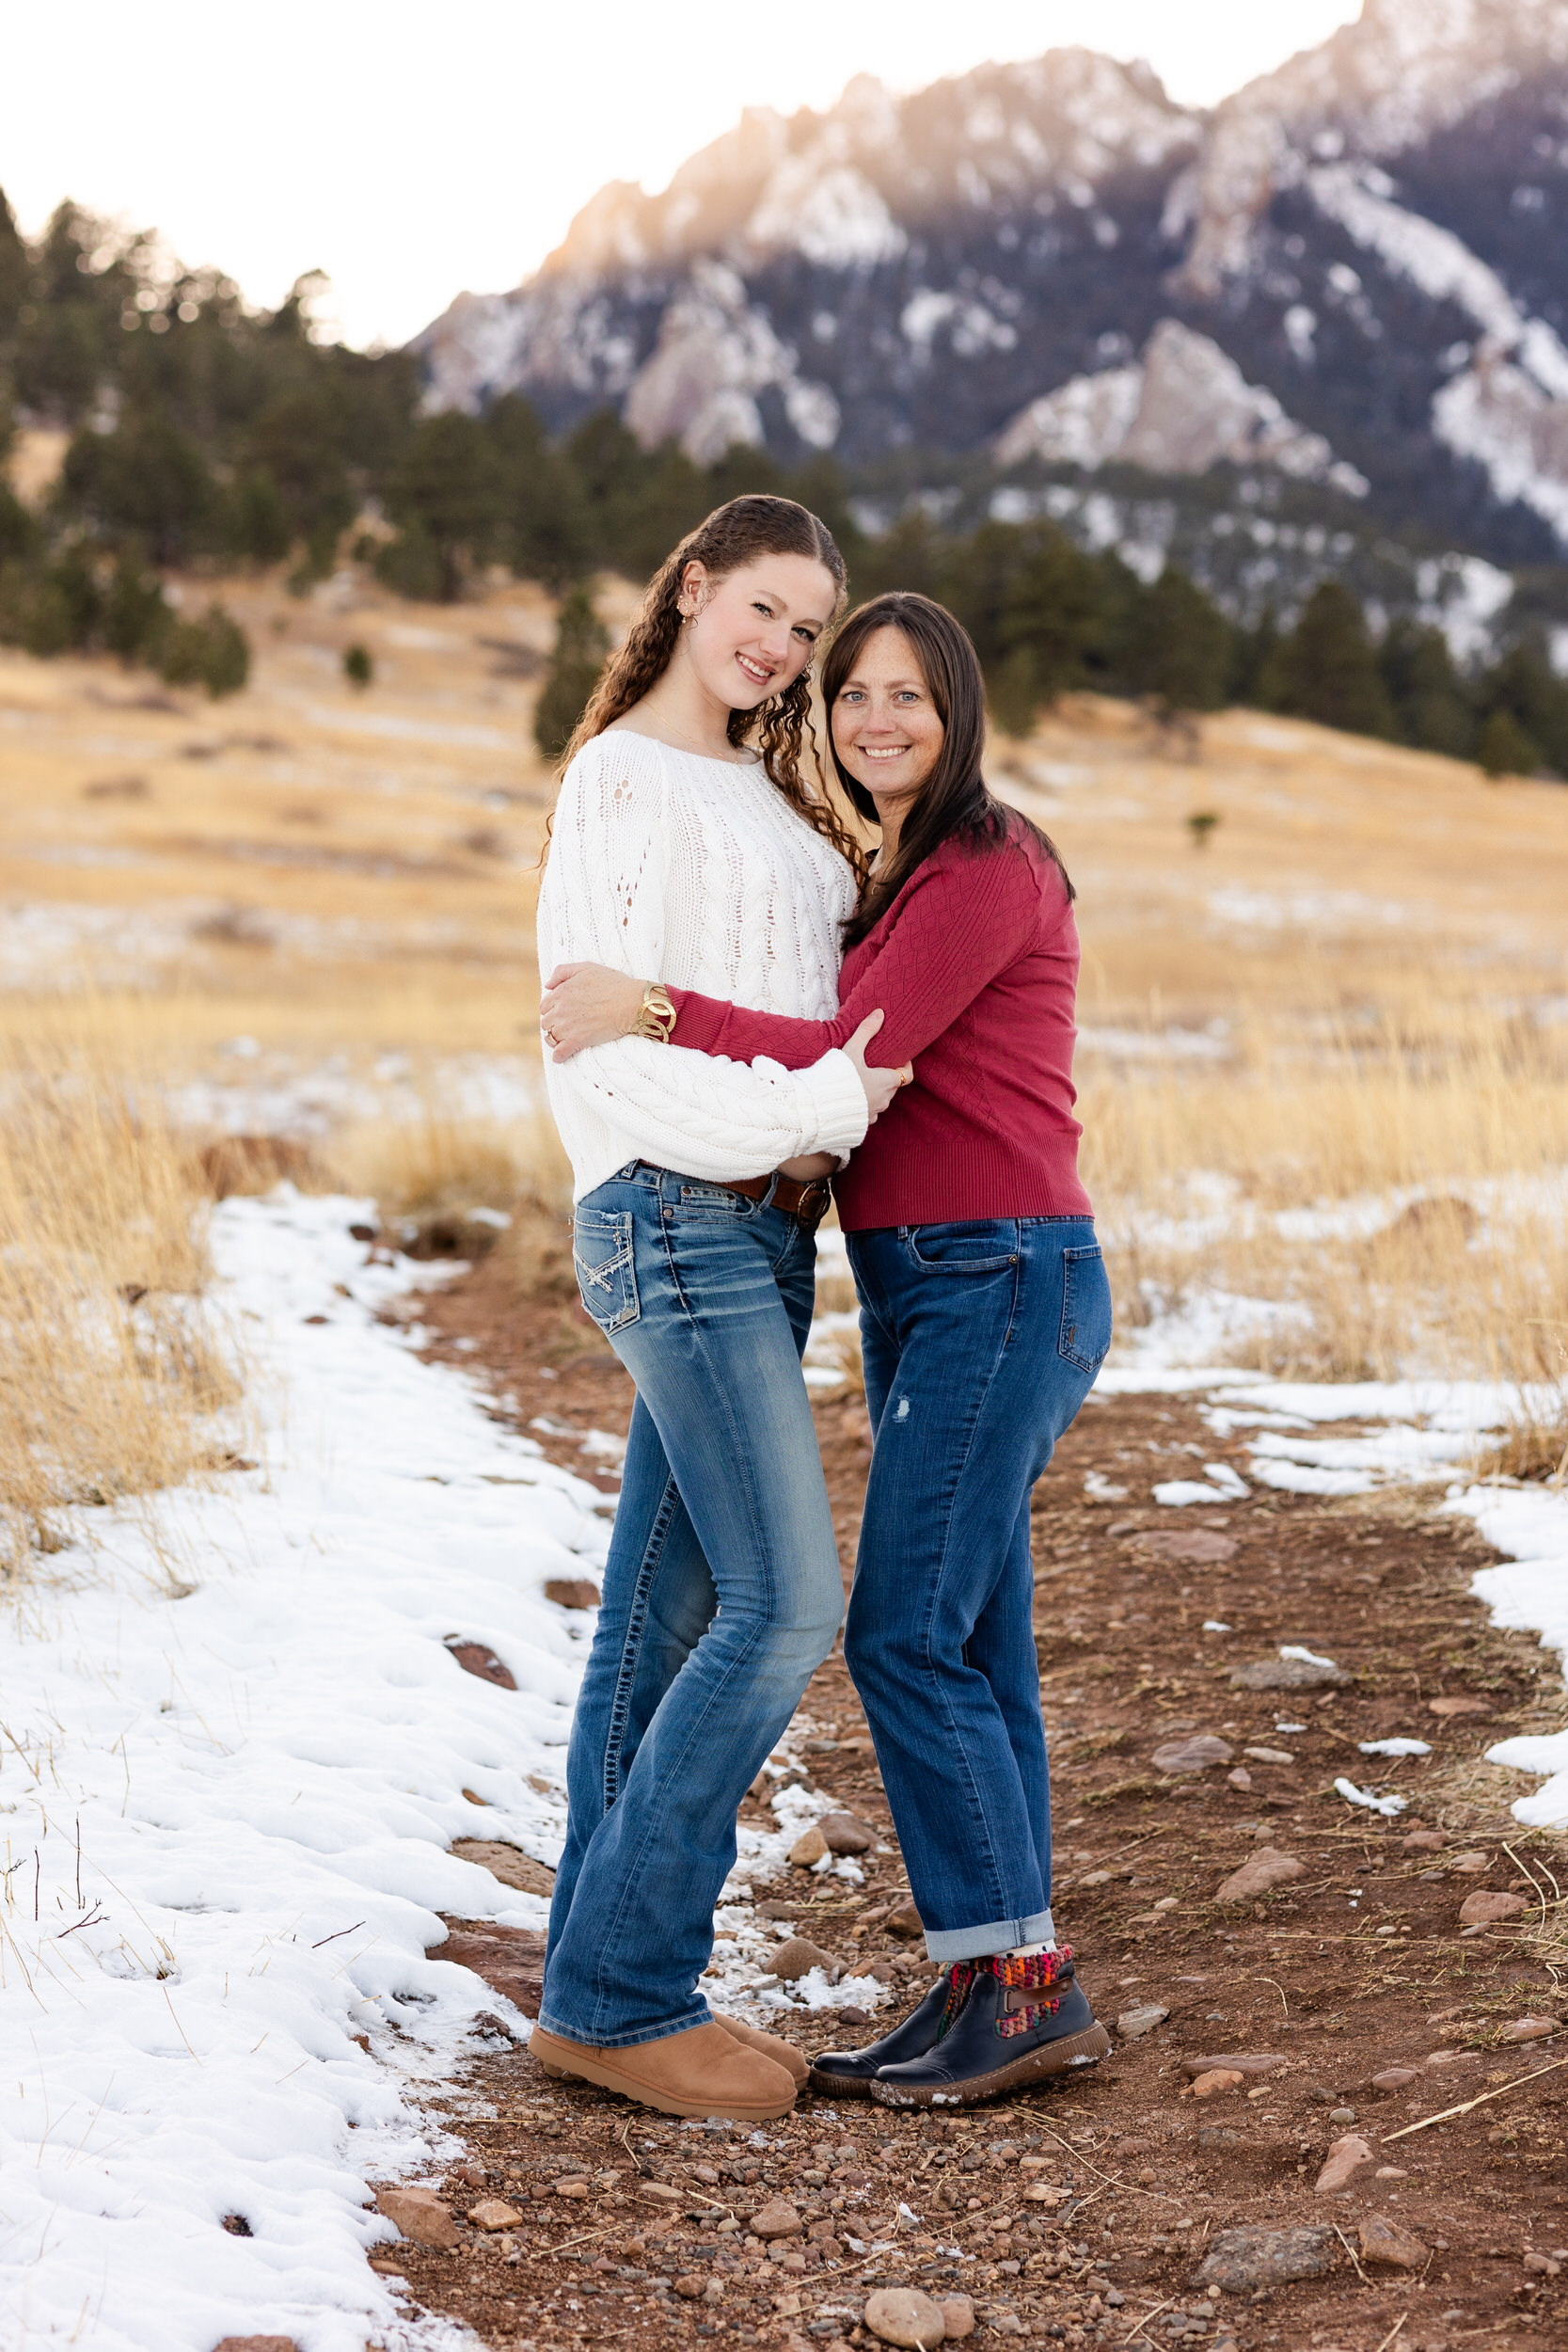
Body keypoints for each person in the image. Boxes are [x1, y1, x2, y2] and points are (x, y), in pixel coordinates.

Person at [540, 591, 1114, 2108]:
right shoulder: (902, 870)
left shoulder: (987, 864)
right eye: (851, 692)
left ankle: (1017, 1986)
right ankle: (1005, 1975)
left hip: (994, 1274)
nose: (875, 719)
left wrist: (650, 1003)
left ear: (960, 713)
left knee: (903, 1633)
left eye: (908, 698)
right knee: (974, 1633)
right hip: (953, 1280)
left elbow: (849, 1051)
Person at [530, 497, 906, 2123]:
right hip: (675, 1215)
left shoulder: (771, 794)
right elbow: (606, 1061)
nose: (782, 648)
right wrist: (818, 1117)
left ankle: (601, 1989)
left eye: (809, 630)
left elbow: (805, 1022)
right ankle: (623, 1993)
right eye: (762, 606)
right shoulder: (620, 779)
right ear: (691, 587)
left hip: (757, 1238)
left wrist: (817, 1124)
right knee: (785, 1606)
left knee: (660, 1627)